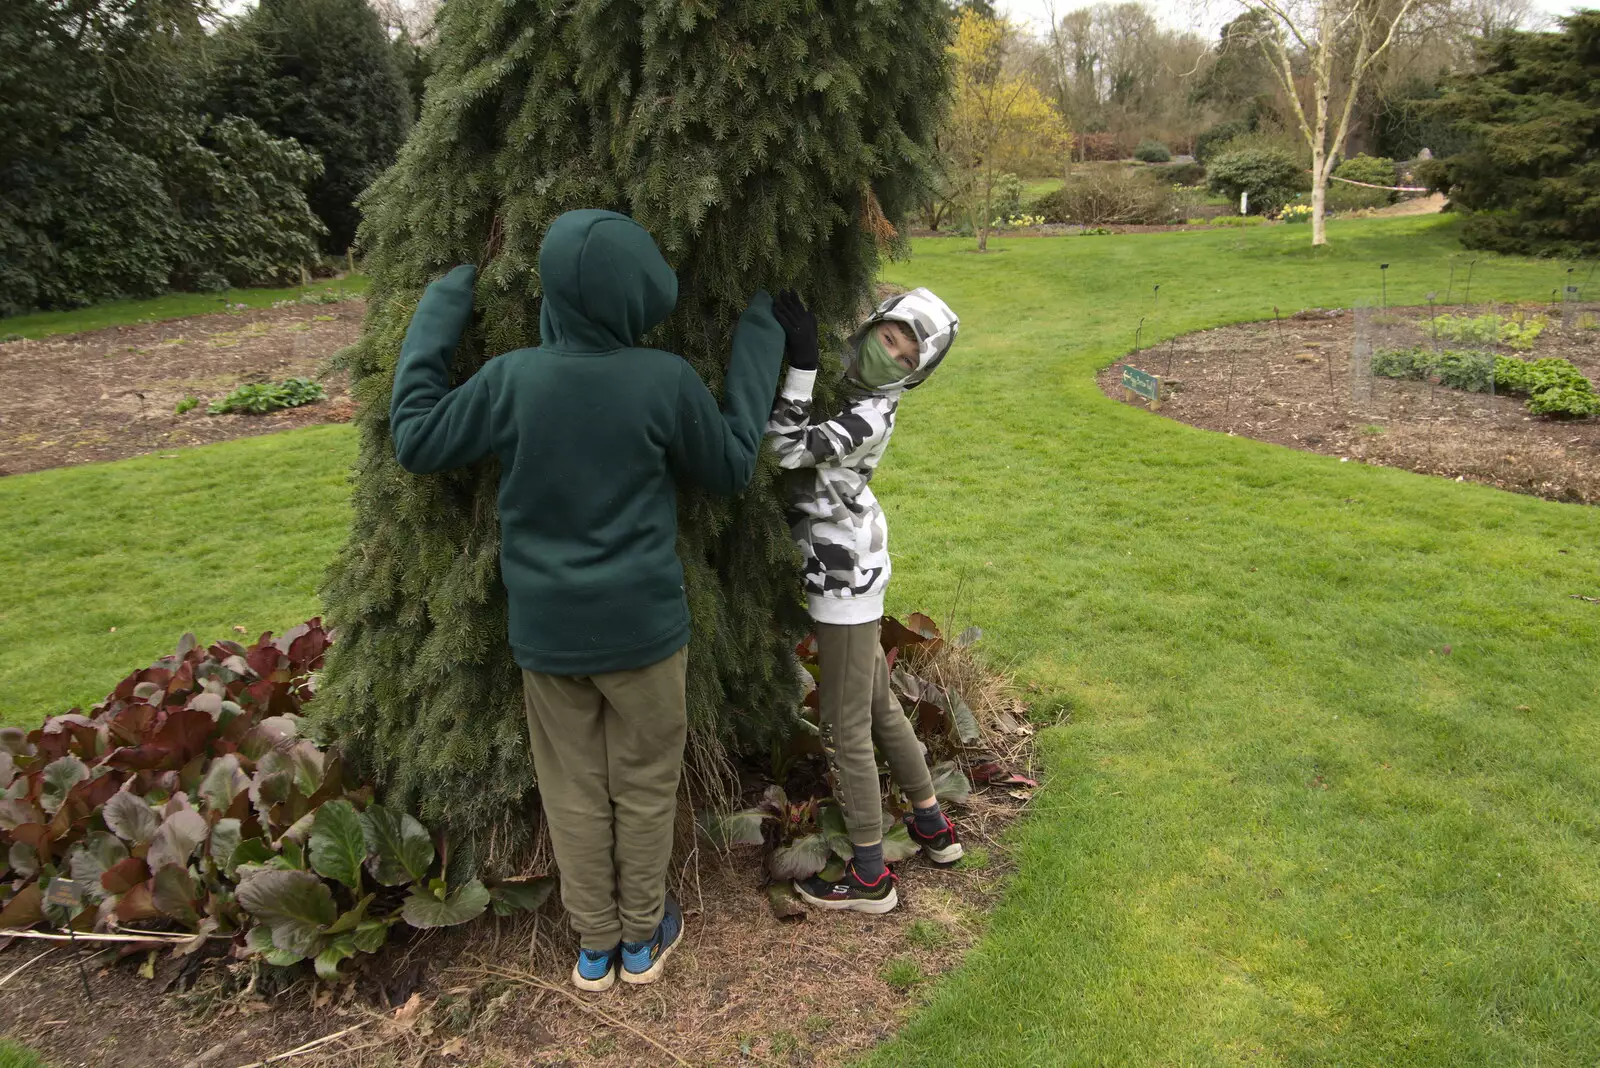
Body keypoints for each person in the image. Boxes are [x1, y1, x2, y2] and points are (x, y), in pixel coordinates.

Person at [390, 209, 785, 990]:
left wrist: (443, 304)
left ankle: (594, 945)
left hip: (548, 635)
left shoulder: (510, 378)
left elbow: (416, 436)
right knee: (643, 785)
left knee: (570, 788)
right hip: (645, 632)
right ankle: (642, 940)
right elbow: (733, 465)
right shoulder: (663, 380)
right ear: (639, 296)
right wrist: (761, 335)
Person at [765, 287, 962, 914]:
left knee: (846, 725)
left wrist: (800, 366)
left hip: (842, 577)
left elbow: (784, 448)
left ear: (917, 375)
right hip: (856, 564)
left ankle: (871, 877)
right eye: (889, 337)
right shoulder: (857, 392)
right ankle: (935, 830)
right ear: (874, 325)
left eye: (907, 358)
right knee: (879, 705)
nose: (891, 356)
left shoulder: (872, 413)